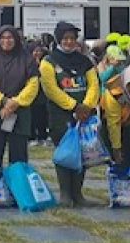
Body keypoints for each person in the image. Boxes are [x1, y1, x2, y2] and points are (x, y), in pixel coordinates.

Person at [39, 21, 100, 207]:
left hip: (85, 115)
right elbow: (51, 90)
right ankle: (65, 193)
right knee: (65, 152)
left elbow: (94, 84)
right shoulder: (48, 62)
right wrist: (74, 106)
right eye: (65, 38)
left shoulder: (85, 61)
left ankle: (77, 194)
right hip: (61, 115)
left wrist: (87, 106)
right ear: (58, 39)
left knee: (83, 152)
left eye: (72, 39)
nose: (69, 42)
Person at [0, 26, 39, 168]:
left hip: (20, 113)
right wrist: (3, 101)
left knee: (18, 159)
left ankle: (17, 189)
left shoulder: (26, 59)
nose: (7, 41)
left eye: (10, 37)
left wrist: (15, 103)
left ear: (16, 39)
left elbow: (33, 84)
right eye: (3, 38)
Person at [102, 65, 130, 169]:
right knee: (121, 161)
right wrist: (116, 149)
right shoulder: (114, 93)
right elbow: (114, 124)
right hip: (114, 125)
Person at [29, 45, 50, 146]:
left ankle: (42, 136)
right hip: (30, 94)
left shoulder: (45, 63)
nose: (37, 53)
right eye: (35, 51)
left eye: (39, 51)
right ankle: (32, 136)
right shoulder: (28, 62)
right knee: (32, 117)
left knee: (41, 116)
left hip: (41, 94)